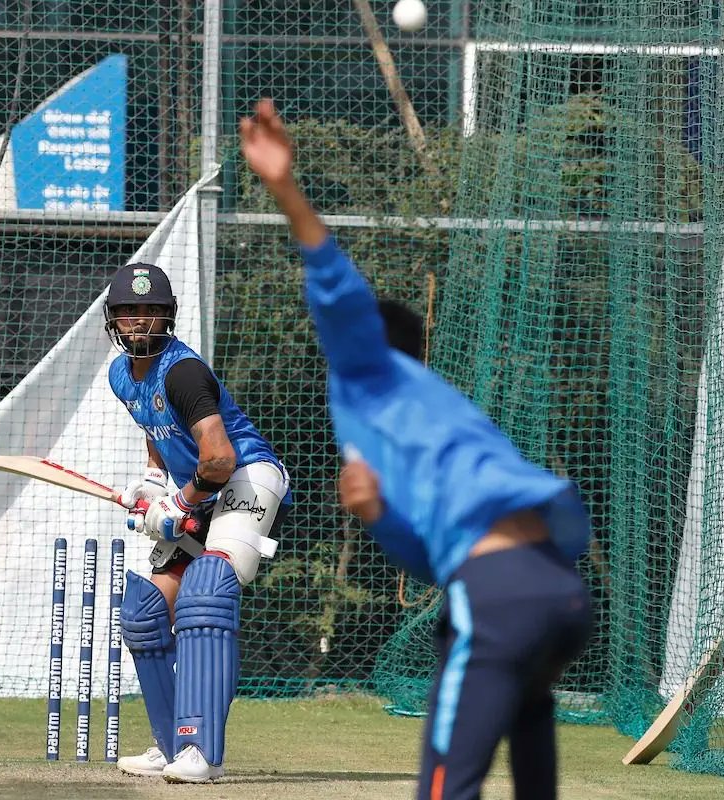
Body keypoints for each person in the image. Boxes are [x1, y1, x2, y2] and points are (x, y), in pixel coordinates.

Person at [239, 97, 592, 800]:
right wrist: (378, 516)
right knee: (528, 730)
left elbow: (336, 288)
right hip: (557, 590)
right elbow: (433, 558)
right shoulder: (439, 411)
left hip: (499, 596)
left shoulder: (368, 376)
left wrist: (284, 186)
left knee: (443, 789)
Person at [104, 261, 291, 783]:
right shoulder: (122, 375)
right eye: (130, 311)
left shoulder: (183, 371)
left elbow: (220, 459)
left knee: (205, 590)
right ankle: (170, 746)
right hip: (201, 490)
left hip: (247, 477)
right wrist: (151, 482)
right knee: (143, 612)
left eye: (152, 311)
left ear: (168, 318)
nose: (140, 321)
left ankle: (202, 751)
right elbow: (156, 429)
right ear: (113, 319)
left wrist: (180, 505)